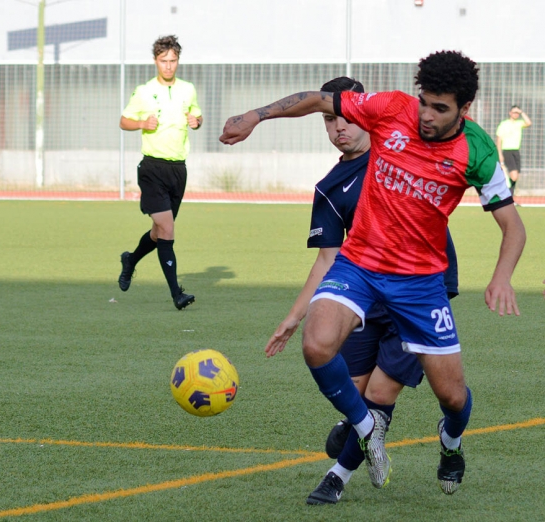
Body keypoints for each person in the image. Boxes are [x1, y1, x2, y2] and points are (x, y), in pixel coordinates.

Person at [221, 51, 526, 495]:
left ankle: (451, 441)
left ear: (464, 109)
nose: (426, 115)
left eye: (440, 108)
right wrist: (255, 116)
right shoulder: (392, 108)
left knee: (453, 398)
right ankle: (366, 428)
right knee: (316, 344)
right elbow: (321, 101)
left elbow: (512, 227)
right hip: (361, 262)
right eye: (425, 101)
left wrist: (502, 277)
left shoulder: (476, 150)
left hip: (421, 285)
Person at [264, 76, 459, 505]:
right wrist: (293, 318)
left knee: (379, 395)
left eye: (346, 118)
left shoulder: (401, 149)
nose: (339, 128)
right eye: (330, 120)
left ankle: (337, 477)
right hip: (363, 293)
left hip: (419, 289)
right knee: (351, 396)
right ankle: (360, 430)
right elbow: (327, 258)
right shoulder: (329, 188)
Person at [118, 35, 203, 310]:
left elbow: (197, 116)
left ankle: (130, 260)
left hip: (178, 170)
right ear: (156, 61)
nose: (168, 66)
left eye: (173, 60)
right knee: (168, 229)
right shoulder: (144, 91)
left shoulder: (188, 89)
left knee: (158, 233)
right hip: (152, 168)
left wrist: (197, 121)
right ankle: (176, 293)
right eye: (163, 61)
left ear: (178, 61)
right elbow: (124, 121)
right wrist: (142, 122)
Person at [495, 105, 532, 196]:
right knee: (513, 176)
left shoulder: (519, 123)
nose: (516, 114)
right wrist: (499, 153)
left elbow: (528, 123)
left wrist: (521, 112)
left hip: (516, 151)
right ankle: (506, 194)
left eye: (517, 113)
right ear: (510, 113)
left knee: (516, 176)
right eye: (514, 112)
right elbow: (499, 139)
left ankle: (510, 197)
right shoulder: (504, 124)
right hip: (507, 151)